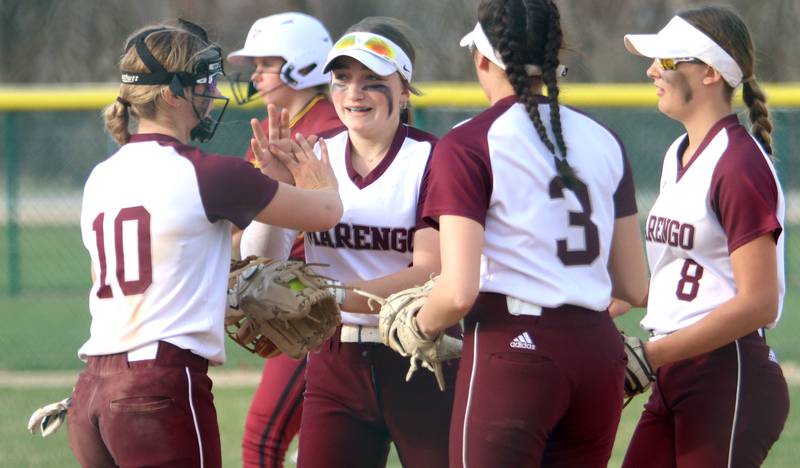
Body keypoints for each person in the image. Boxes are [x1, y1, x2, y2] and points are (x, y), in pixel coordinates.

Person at [67, 20, 341, 468]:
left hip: (92, 391)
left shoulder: (101, 174)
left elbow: (237, 252)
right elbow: (327, 213)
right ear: (172, 94)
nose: (212, 90)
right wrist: (313, 176)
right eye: (202, 81)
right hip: (157, 388)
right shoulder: (207, 173)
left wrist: (269, 181)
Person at [412, 0, 650, 466]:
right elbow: (634, 287)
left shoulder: (468, 142)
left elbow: (458, 292)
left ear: (481, 59)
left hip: (514, 346)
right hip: (599, 352)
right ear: (555, 54)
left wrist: (418, 325)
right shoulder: (604, 138)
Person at [262, 17, 459, 468]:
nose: (354, 93)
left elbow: (430, 272)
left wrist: (331, 296)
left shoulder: (434, 157)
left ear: (405, 89)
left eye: (372, 81)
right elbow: (268, 258)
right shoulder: (312, 152)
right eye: (343, 79)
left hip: (421, 354)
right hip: (335, 358)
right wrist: (271, 193)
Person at [620, 6, 789, 467]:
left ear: (711, 73)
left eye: (667, 60)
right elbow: (680, 279)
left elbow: (760, 301)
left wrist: (651, 355)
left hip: (726, 373)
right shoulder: (678, 153)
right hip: (678, 373)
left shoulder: (737, 163)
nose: (651, 69)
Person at [226, 12, 343, 468]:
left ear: (302, 66)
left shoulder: (326, 131)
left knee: (263, 439)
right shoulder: (280, 127)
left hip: (317, 305)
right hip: (298, 297)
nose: (254, 74)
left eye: (266, 62)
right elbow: (242, 222)